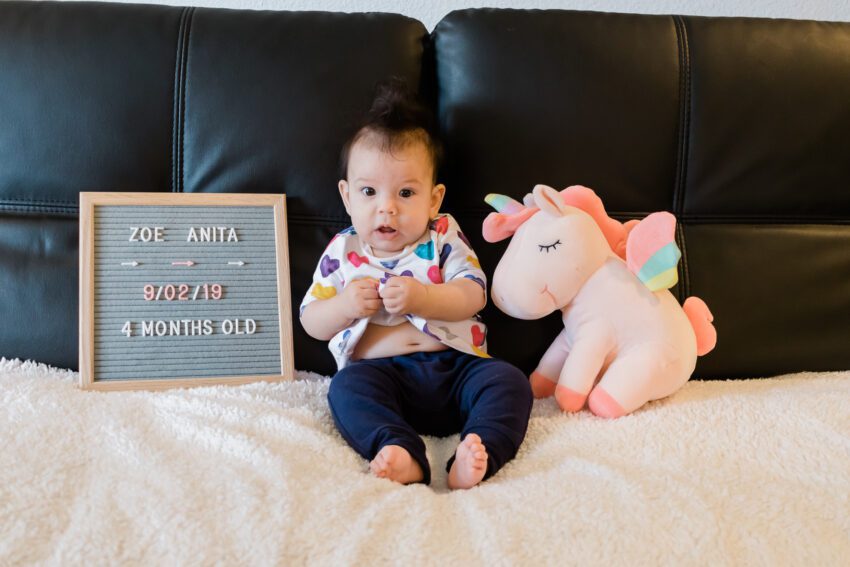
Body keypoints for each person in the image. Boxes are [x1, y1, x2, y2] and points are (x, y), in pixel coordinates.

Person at [299, 78, 532, 489]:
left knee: (509, 381)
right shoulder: (342, 250)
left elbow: (473, 292)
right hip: (379, 376)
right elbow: (310, 320)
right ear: (347, 196)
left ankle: (479, 449)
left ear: (434, 199)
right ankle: (400, 449)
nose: (386, 207)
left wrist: (424, 297)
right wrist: (345, 306)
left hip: (457, 367)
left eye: (406, 193)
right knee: (345, 391)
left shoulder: (442, 235)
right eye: (369, 191)